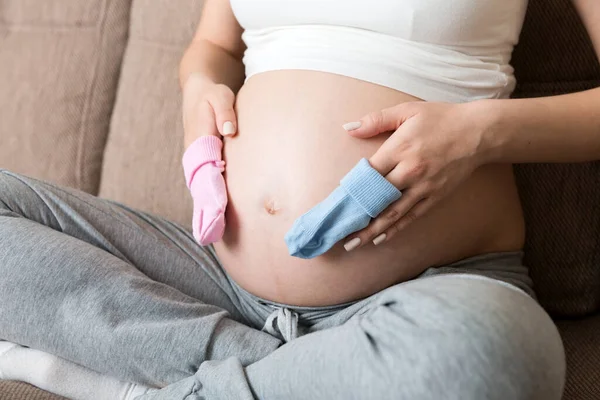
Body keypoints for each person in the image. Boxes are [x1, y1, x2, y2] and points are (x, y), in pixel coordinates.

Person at [1, 0, 599, 398]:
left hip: (430, 286)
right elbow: (213, 46)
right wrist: (199, 88)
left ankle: (145, 379)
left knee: (494, 354)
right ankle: (263, 365)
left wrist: (480, 132)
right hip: (214, 274)